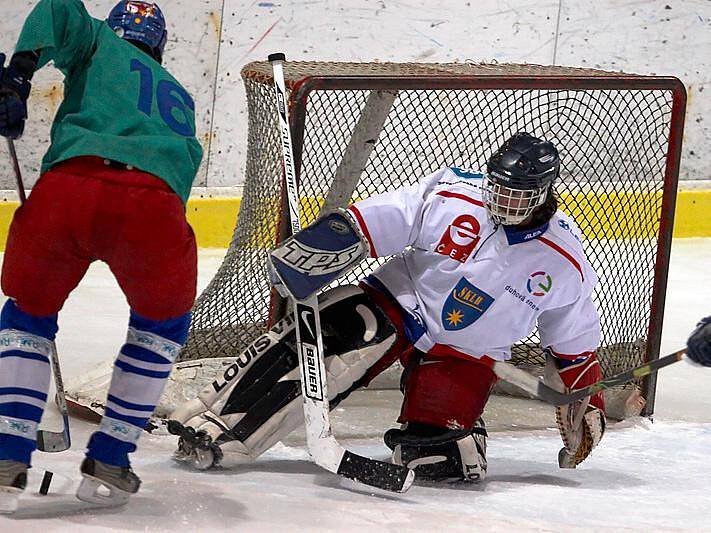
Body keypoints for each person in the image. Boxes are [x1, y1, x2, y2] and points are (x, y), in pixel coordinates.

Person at [169, 132, 605, 482]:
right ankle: (219, 417)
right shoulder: (456, 194)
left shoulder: (564, 260)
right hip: (400, 301)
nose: (501, 200)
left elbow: (575, 344)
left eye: (516, 194)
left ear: (543, 194)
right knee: (334, 338)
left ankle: (457, 429)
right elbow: (387, 217)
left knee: (439, 460)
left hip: (466, 353)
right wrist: (330, 240)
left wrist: (590, 400)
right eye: (498, 188)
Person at [0, 0, 202, 510]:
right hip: (153, 208)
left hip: (69, 189)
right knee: (162, 325)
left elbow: (60, 9)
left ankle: (6, 457)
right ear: (158, 47)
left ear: (115, 32)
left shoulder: (98, 41)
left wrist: (18, 75)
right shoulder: (178, 94)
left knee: (27, 314)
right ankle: (111, 460)